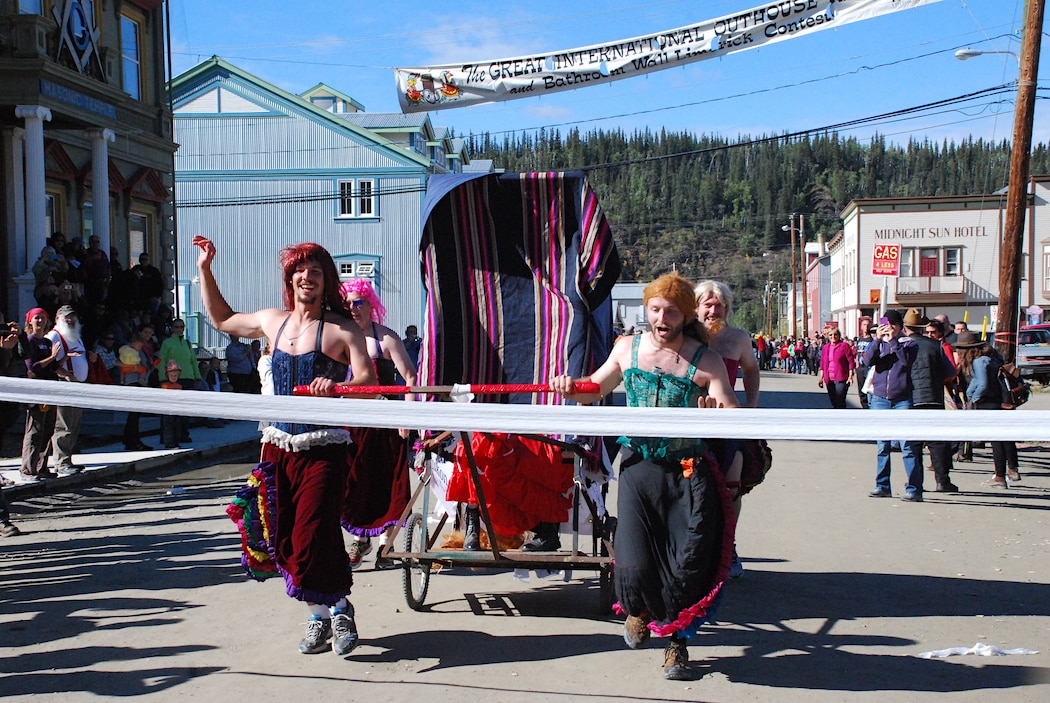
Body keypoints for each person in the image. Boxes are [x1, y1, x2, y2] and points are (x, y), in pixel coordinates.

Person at [552, 272, 738, 682]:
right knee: (633, 555)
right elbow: (594, 388)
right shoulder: (626, 348)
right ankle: (637, 611)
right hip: (638, 467)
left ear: (685, 315)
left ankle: (678, 647)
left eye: (671, 311)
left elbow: (730, 410)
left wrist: (714, 412)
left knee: (684, 562)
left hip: (687, 472)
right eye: (655, 309)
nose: (661, 317)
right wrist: (570, 387)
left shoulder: (706, 360)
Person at [196, 236, 376, 657]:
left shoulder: (342, 327)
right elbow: (222, 319)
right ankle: (320, 614)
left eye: (315, 271)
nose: (306, 277)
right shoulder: (272, 321)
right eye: (300, 270)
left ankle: (339, 607)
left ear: (325, 279)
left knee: (313, 531)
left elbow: (367, 380)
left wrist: (339, 387)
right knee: (283, 540)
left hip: (324, 448)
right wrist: (205, 268)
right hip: (278, 448)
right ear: (289, 278)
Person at [339, 278, 418, 569]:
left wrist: (407, 418)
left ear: (371, 305)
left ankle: (387, 540)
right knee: (354, 482)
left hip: (385, 420)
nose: (353, 308)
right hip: (351, 423)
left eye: (358, 302)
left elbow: (409, 378)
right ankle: (361, 538)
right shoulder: (339, 337)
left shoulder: (385, 338)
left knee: (389, 481)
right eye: (347, 303)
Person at [694, 279, 761, 578]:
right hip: (691, 422)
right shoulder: (684, 338)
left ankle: (728, 546)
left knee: (731, 486)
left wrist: (752, 403)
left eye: (719, 305)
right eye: (708, 304)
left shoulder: (738, 339)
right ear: (695, 307)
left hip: (728, 420)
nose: (714, 310)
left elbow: (751, 369)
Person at [863, 309, 923, 501]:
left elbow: (906, 362)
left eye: (892, 326)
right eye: (884, 326)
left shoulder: (909, 343)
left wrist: (893, 342)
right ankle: (882, 485)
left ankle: (914, 489)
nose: (888, 329)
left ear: (899, 327)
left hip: (902, 399)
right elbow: (867, 361)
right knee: (882, 445)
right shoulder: (879, 344)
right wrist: (878, 340)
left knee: (907, 446)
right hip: (880, 398)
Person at [955, 330, 1020, 488]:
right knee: (1004, 439)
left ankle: (999, 477)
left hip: (988, 402)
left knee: (996, 440)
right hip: (1000, 401)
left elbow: (982, 384)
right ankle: (1012, 470)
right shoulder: (993, 357)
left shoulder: (979, 361)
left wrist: (973, 398)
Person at [47, 305, 90, 475]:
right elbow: (50, 363)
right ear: (57, 319)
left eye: (72, 316)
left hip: (77, 387)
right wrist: (66, 375)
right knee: (63, 425)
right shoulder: (54, 336)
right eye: (66, 317)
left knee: (74, 424)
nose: (70, 320)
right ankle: (61, 462)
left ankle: (68, 459)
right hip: (63, 385)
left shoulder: (75, 336)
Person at [919, 317, 960, 492]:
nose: (930, 335)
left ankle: (942, 476)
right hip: (927, 394)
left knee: (938, 439)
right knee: (927, 441)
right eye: (927, 332)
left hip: (942, 394)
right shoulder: (922, 346)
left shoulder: (943, 347)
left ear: (940, 334)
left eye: (933, 332)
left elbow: (951, 370)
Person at [19, 308, 60, 482]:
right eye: (37, 318)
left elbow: (54, 365)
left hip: (51, 389)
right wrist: (52, 357)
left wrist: (64, 359)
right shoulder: (29, 341)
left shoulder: (47, 342)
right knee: (35, 429)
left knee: (48, 429)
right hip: (37, 390)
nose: (40, 321)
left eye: (43, 318)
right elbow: (33, 367)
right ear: (29, 321)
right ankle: (28, 469)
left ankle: (41, 467)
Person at [118, 331, 153, 451]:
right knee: (134, 413)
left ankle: (130, 440)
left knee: (135, 414)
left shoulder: (139, 350)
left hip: (139, 381)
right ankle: (133, 441)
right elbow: (118, 362)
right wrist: (133, 368)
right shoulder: (127, 350)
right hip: (133, 382)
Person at [818, 328, 855, 409]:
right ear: (828, 336)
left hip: (841, 378)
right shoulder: (826, 347)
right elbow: (823, 363)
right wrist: (821, 378)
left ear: (839, 336)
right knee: (833, 401)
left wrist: (850, 376)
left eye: (835, 334)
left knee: (840, 400)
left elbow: (851, 362)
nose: (833, 336)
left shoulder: (844, 346)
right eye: (831, 335)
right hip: (829, 379)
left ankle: (842, 418)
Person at [159, 361, 189, 449]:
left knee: (177, 425)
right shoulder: (164, 386)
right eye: (171, 375)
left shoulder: (179, 386)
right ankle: (169, 443)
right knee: (168, 426)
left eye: (175, 375)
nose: (174, 377)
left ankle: (176, 442)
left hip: (176, 408)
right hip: (167, 409)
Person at [854, 324, 878, 409]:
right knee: (862, 390)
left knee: (870, 392)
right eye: (864, 324)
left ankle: (869, 407)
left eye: (875, 332)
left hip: (871, 369)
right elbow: (857, 352)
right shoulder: (860, 339)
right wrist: (857, 362)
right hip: (861, 367)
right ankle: (864, 407)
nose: (874, 333)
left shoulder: (874, 341)